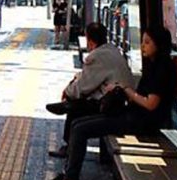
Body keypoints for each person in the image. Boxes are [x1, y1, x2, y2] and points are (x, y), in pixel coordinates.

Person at [44, 25, 177, 180]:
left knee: (80, 128)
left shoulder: (162, 69)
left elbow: (151, 104)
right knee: (77, 123)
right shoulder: (156, 65)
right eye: (143, 42)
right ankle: (68, 176)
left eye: (147, 42)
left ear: (159, 45)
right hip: (134, 116)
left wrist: (124, 89)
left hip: (141, 122)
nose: (143, 46)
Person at [47, 22, 133, 158]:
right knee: (77, 101)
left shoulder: (97, 56)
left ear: (90, 40)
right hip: (119, 100)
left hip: (112, 105)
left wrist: (68, 91)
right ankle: (66, 107)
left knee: (76, 107)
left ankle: (70, 147)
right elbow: (92, 79)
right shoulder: (112, 49)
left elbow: (84, 86)